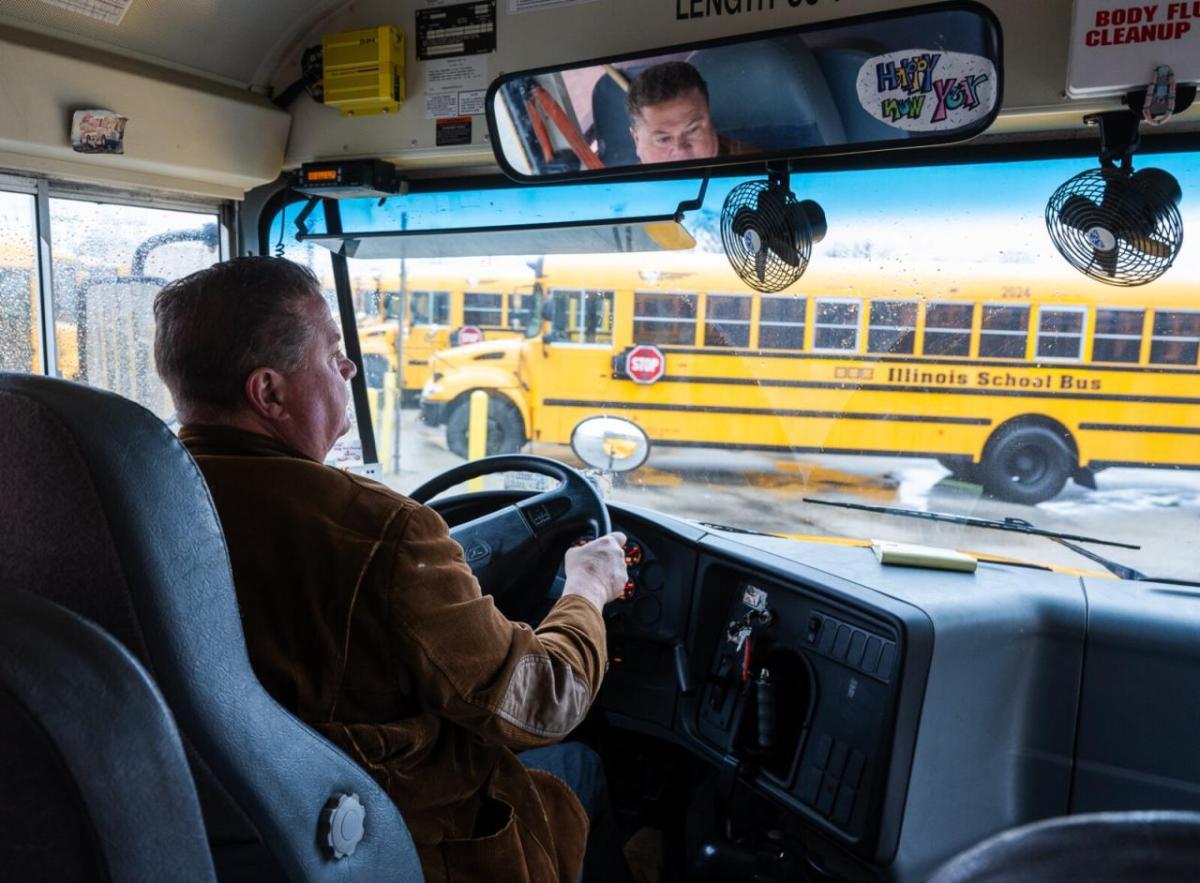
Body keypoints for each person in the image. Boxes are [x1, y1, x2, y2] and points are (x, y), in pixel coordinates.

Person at [153, 256, 630, 883]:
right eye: (331, 353)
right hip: (393, 835)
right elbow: (540, 702)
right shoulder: (381, 532)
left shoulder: (145, 496)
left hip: (230, 827)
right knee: (585, 768)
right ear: (268, 392)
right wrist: (587, 588)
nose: (351, 366)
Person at [625, 60, 755, 164]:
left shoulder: (759, 168)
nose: (681, 151)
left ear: (710, 122)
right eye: (663, 139)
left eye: (693, 130)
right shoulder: (618, 188)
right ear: (637, 140)